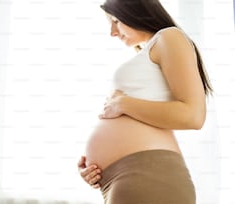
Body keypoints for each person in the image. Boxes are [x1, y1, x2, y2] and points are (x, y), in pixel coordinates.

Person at [77, 0, 213, 203]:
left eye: (116, 21)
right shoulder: (146, 54)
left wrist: (123, 103)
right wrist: (97, 169)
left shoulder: (169, 37)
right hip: (122, 179)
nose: (113, 32)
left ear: (135, 10)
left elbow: (193, 116)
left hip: (148, 174)